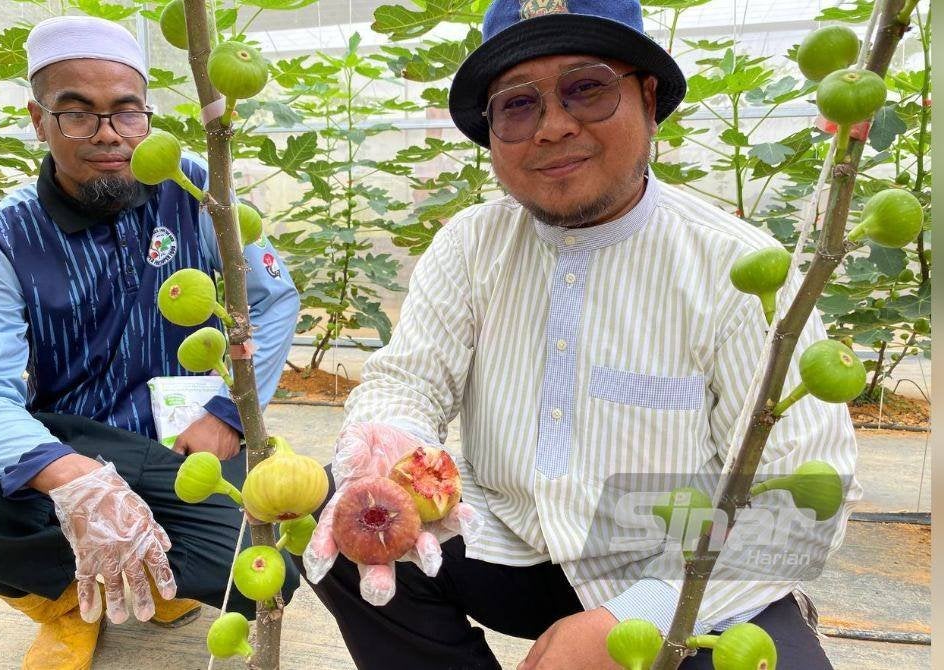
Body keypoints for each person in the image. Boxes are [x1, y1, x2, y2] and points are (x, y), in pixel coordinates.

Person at [293, 1, 861, 669]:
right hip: (507, 540)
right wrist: (394, 436)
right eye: (518, 105)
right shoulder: (472, 244)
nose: (554, 127)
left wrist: (629, 621)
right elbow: (408, 379)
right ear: (492, 132)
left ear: (648, 100)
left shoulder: (740, 269)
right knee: (348, 514)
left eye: (587, 88)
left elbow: (801, 499)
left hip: (678, 561)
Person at [0, 15, 301, 670]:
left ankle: (129, 576)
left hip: (180, 437)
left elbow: (273, 296)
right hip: (71, 438)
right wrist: (74, 479)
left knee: (268, 578)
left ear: (147, 114)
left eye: (126, 112)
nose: (110, 135)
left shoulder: (194, 189)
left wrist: (228, 412)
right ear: (38, 119)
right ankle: (64, 602)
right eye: (78, 114)